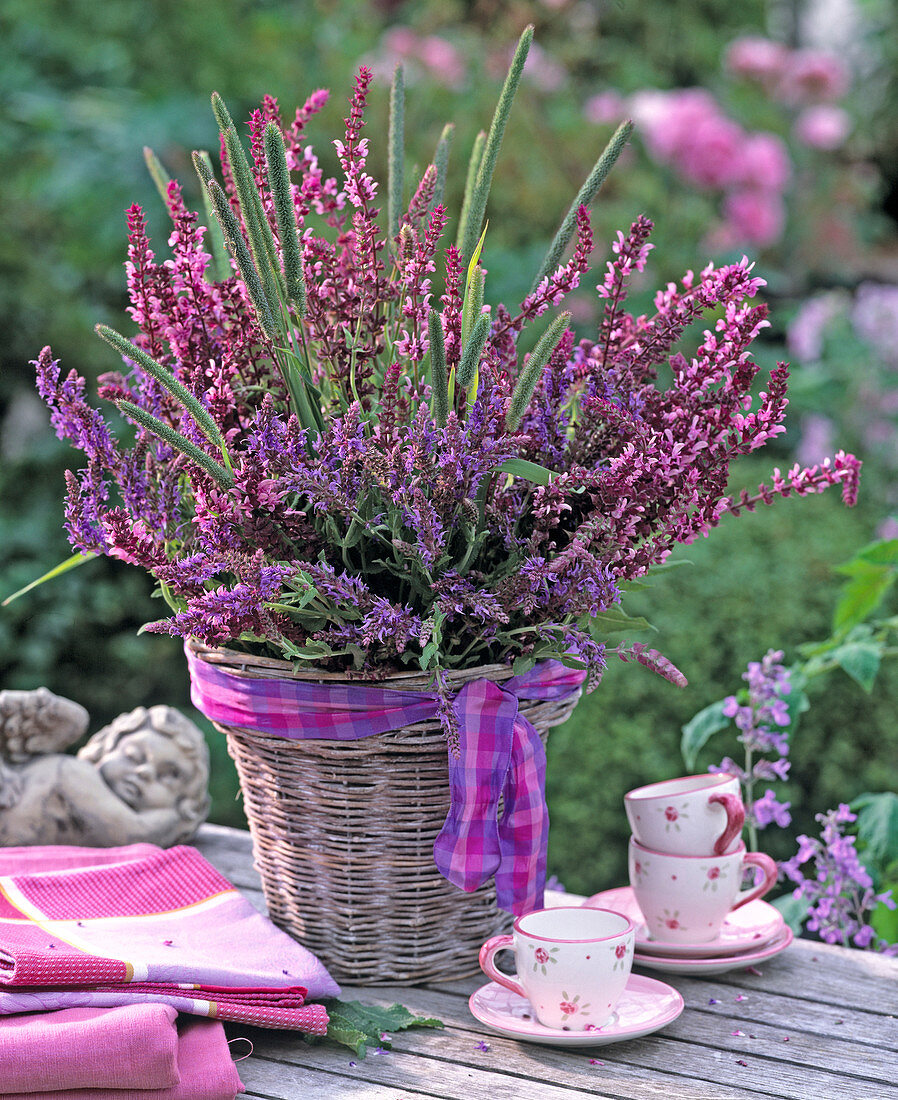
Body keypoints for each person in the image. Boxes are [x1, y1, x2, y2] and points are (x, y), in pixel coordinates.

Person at [0, 690, 210, 847]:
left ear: (185, 797)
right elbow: (137, 833)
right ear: (104, 750)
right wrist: (179, 817)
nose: (145, 772)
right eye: (132, 756)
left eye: (168, 777)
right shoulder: (73, 773)